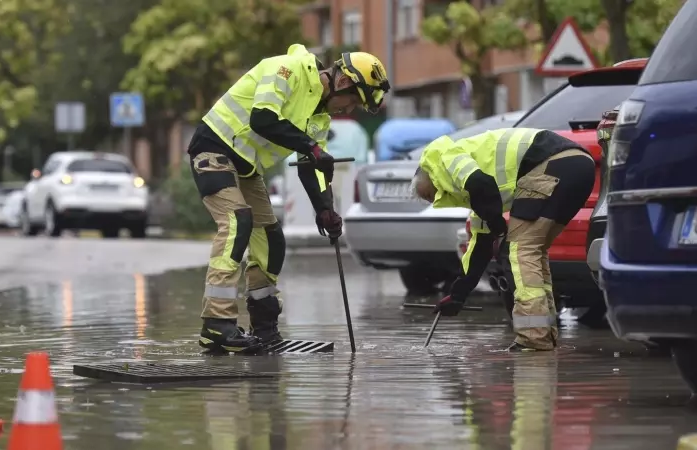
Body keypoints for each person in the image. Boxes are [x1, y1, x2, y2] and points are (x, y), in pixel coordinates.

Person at [187, 43, 390, 353]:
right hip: (214, 147)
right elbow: (263, 119)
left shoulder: (320, 117)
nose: (349, 110)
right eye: (353, 102)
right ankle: (216, 323)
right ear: (344, 82)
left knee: (270, 240)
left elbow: (311, 166)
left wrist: (325, 210)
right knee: (237, 221)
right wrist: (312, 148)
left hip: (245, 166)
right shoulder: (287, 69)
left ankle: (264, 327)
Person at [410, 128, 595, 351]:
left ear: (427, 175)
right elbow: (480, 249)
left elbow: (480, 183)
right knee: (533, 251)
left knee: (520, 250)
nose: (435, 199)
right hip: (579, 166)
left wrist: (497, 223)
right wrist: (458, 294)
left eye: (429, 195)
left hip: (551, 164)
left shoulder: (439, 156)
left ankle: (533, 339)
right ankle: (544, 335)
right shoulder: (479, 200)